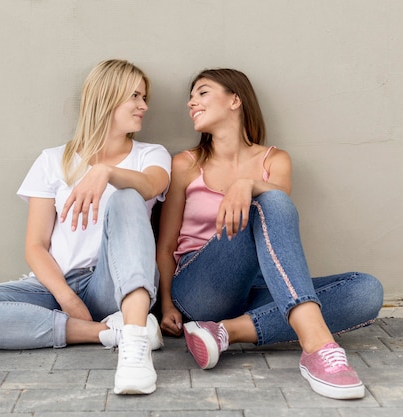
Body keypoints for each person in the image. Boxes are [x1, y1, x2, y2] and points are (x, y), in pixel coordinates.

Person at [0, 59, 171, 395]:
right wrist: (67, 298)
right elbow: (35, 245)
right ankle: (108, 334)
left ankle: (134, 348)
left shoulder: (150, 154)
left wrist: (105, 172)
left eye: (144, 97)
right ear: (107, 97)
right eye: (135, 96)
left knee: (127, 197)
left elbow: (152, 186)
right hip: (57, 284)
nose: (144, 106)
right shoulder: (53, 160)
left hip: (116, 284)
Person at [156, 68, 383, 400]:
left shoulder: (274, 159)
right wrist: (165, 305)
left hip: (263, 286)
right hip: (200, 286)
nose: (191, 102)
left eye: (202, 92)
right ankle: (318, 347)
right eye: (190, 97)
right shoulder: (186, 164)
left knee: (367, 292)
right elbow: (166, 246)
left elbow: (280, 209)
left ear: (235, 100)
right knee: (268, 200)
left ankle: (224, 333)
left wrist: (246, 183)